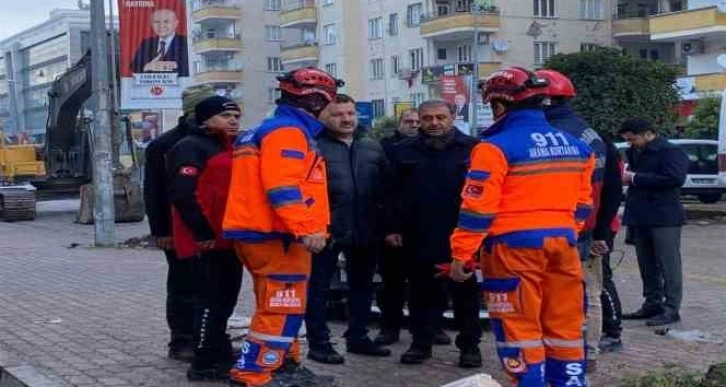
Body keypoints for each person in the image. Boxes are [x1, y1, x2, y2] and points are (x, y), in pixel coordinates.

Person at [449, 67, 594, 386]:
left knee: (520, 328)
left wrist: (462, 255)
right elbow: (584, 205)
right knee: (566, 328)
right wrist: (564, 231)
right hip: (563, 243)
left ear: (500, 104)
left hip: (512, 249)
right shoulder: (577, 146)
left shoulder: (494, 148)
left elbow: (477, 209)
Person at [223, 67, 342, 387]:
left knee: (282, 304)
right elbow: (283, 187)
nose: (332, 108)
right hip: (278, 236)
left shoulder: (271, 130)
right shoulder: (288, 133)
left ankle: (285, 364)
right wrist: (305, 228)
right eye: (330, 101)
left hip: (265, 233)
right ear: (316, 101)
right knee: (280, 306)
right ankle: (253, 374)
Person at [385, 99, 482, 368]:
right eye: (427, 118)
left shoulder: (474, 149)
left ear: (452, 117)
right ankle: (421, 343)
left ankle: (470, 346)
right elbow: (391, 192)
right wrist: (392, 227)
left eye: (440, 117)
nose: (434, 123)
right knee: (420, 293)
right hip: (418, 233)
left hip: (461, 234)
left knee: (465, 294)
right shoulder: (402, 151)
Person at [536, 68, 623, 367]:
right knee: (589, 294)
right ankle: (588, 353)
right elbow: (611, 190)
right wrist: (603, 233)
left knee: (556, 296)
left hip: (554, 230)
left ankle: (561, 353)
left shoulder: (543, 137)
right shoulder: (593, 135)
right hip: (586, 231)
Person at [304, 94, 390, 364]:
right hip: (326, 231)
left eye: (350, 113)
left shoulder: (371, 146)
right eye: (338, 114)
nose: (346, 119)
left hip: (366, 228)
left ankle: (358, 337)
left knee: (363, 286)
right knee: (318, 289)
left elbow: (385, 190)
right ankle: (319, 343)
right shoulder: (313, 147)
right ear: (323, 117)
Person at [167, 96, 243, 381]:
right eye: (226, 116)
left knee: (225, 301)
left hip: (228, 238)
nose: (234, 120)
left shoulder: (227, 146)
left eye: (236, 115)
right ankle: (204, 361)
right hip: (204, 241)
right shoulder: (191, 147)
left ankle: (217, 348)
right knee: (210, 301)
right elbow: (183, 194)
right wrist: (202, 233)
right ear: (205, 119)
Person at [142, 84, 216, 362]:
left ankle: (208, 338)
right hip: (177, 229)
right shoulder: (164, 145)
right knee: (184, 286)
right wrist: (160, 230)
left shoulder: (218, 140)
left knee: (211, 287)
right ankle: (182, 341)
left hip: (213, 229)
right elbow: (154, 190)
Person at [619, 118, 689, 327]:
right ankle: (652, 303)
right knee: (646, 263)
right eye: (628, 141)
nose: (631, 144)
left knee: (669, 264)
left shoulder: (670, 152)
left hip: (664, 216)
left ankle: (671, 308)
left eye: (633, 139)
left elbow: (674, 179)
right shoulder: (635, 151)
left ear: (648, 133)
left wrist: (634, 178)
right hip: (640, 215)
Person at [374, 108, 420, 346]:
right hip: (393, 225)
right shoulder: (386, 149)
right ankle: (389, 327)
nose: (414, 125)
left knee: (425, 283)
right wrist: (389, 227)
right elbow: (384, 191)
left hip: (422, 227)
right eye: (408, 121)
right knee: (392, 282)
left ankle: (424, 327)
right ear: (399, 124)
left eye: (417, 121)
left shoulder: (430, 148)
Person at [597, 140, 625, 352]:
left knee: (602, 278)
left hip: (602, 227)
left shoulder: (605, 153)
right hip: (597, 225)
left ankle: (613, 330)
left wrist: (601, 232)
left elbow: (613, 193)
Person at [130, 8, 189, 76]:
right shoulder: (146, 43)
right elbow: (133, 65)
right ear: (151, 24)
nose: (161, 26)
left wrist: (172, 65)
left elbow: (191, 65)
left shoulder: (186, 42)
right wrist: (147, 66)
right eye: (156, 22)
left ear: (176, 23)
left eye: (166, 21)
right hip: (150, 85)